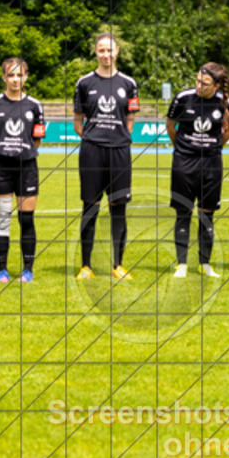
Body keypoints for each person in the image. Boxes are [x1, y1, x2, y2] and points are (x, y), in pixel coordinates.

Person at [73, 33, 139, 280]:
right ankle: (86, 266)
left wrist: (118, 138)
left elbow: (130, 119)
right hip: (92, 152)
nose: (105, 54)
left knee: (118, 208)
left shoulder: (128, 83)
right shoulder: (84, 83)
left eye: (109, 50)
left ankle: (118, 265)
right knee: (90, 206)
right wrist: (94, 139)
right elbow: (78, 122)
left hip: (120, 152)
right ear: (95, 52)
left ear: (117, 51)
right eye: (101, 50)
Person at [166, 62, 229, 278]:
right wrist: (185, 149)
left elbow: (228, 131)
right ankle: (182, 264)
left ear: (216, 85)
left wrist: (212, 148)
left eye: (204, 83)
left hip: (211, 164)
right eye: (197, 80)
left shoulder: (224, 102)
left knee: (207, 215)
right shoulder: (182, 98)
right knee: (183, 213)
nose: (198, 85)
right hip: (183, 163)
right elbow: (170, 126)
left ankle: (204, 263)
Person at [0, 58, 46, 283]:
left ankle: (27, 270)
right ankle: (2, 270)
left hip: (27, 168)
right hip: (0, 168)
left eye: (19, 75)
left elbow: (36, 141)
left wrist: (21, 153)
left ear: (26, 77)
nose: (15, 79)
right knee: (2, 219)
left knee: (26, 219)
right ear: (4, 77)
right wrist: (4, 153)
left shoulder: (35, 106)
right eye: (11, 75)